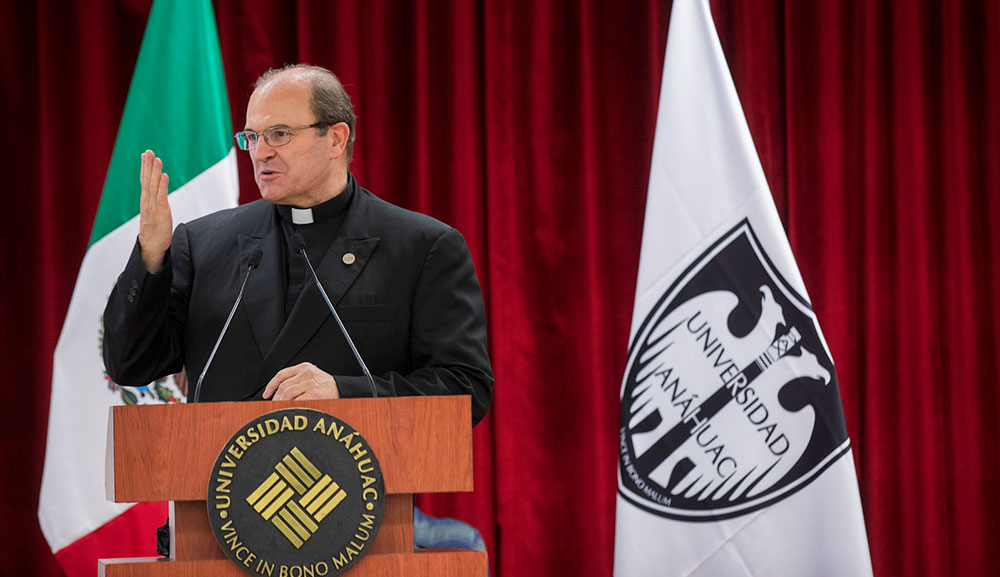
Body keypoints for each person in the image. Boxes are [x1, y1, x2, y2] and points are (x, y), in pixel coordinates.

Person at [103, 64, 493, 425]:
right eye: (252, 137)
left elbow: (465, 388)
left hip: (359, 475)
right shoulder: (202, 244)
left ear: (336, 139)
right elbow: (130, 365)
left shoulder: (422, 248)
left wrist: (344, 392)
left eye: (280, 134)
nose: (261, 153)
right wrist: (150, 258)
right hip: (224, 476)